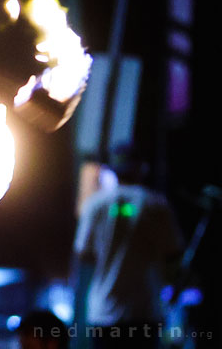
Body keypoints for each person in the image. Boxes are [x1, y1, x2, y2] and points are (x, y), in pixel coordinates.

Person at [73, 147, 183, 349]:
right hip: (144, 311)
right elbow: (173, 253)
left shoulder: (96, 204)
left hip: (103, 312)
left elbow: (83, 252)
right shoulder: (156, 204)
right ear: (141, 169)